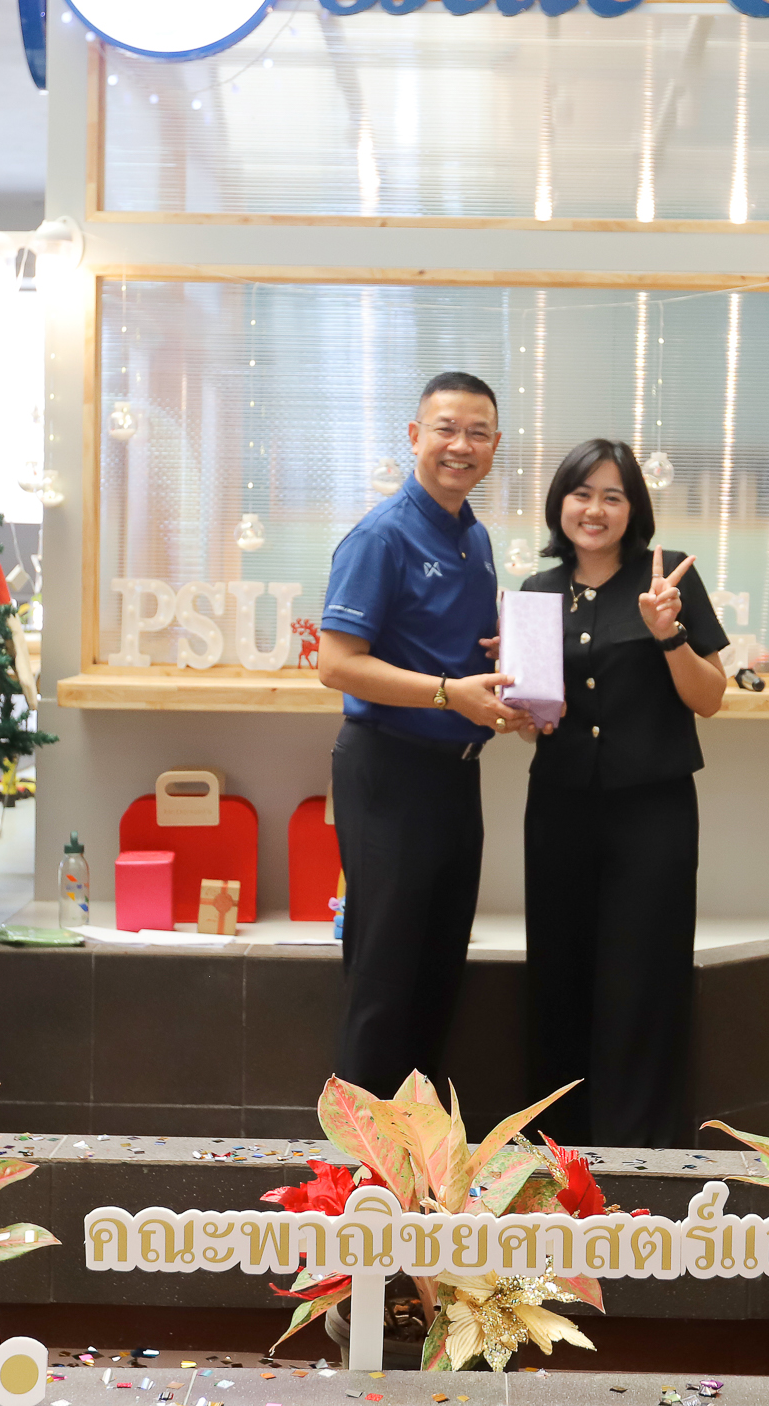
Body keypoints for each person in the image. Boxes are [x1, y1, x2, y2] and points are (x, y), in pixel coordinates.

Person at [317, 372, 526, 1096]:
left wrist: (505, 665)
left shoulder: (475, 537)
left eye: (477, 433)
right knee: (384, 976)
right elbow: (336, 664)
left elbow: (451, 649)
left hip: (455, 774)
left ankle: (417, 1153)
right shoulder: (382, 535)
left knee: (437, 971)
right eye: (446, 428)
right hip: (389, 771)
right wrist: (447, 693)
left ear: (495, 446)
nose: (460, 445)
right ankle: (361, 1157)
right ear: (415, 436)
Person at [518, 440, 729, 1146]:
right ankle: (559, 1152)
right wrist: (518, 708)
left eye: (613, 496)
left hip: (652, 814)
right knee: (559, 973)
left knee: (645, 978)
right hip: (559, 809)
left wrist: (669, 636)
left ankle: (640, 1152)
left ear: (633, 508)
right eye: (582, 493)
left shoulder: (667, 578)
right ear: (560, 503)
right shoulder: (537, 591)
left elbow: (711, 699)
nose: (595, 509)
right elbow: (532, 721)